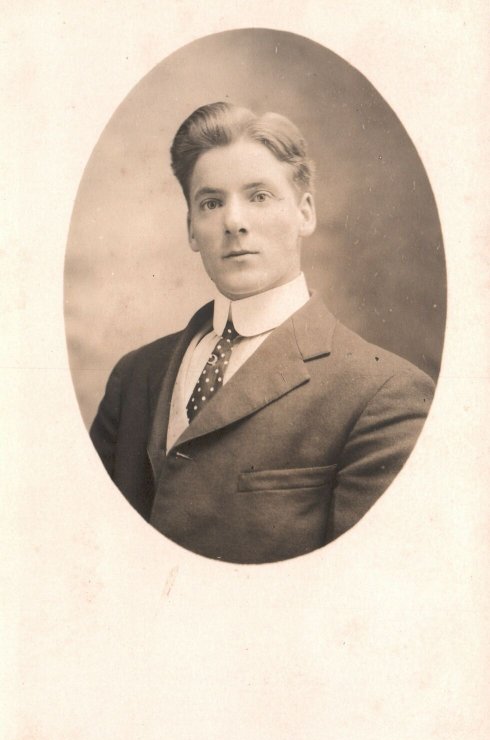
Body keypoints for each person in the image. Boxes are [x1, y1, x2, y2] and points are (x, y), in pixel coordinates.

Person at [90, 101, 435, 564]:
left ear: (305, 213)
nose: (234, 221)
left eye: (258, 196)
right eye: (211, 203)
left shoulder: (385, 395)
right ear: (192, 228)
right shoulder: (134, 376)